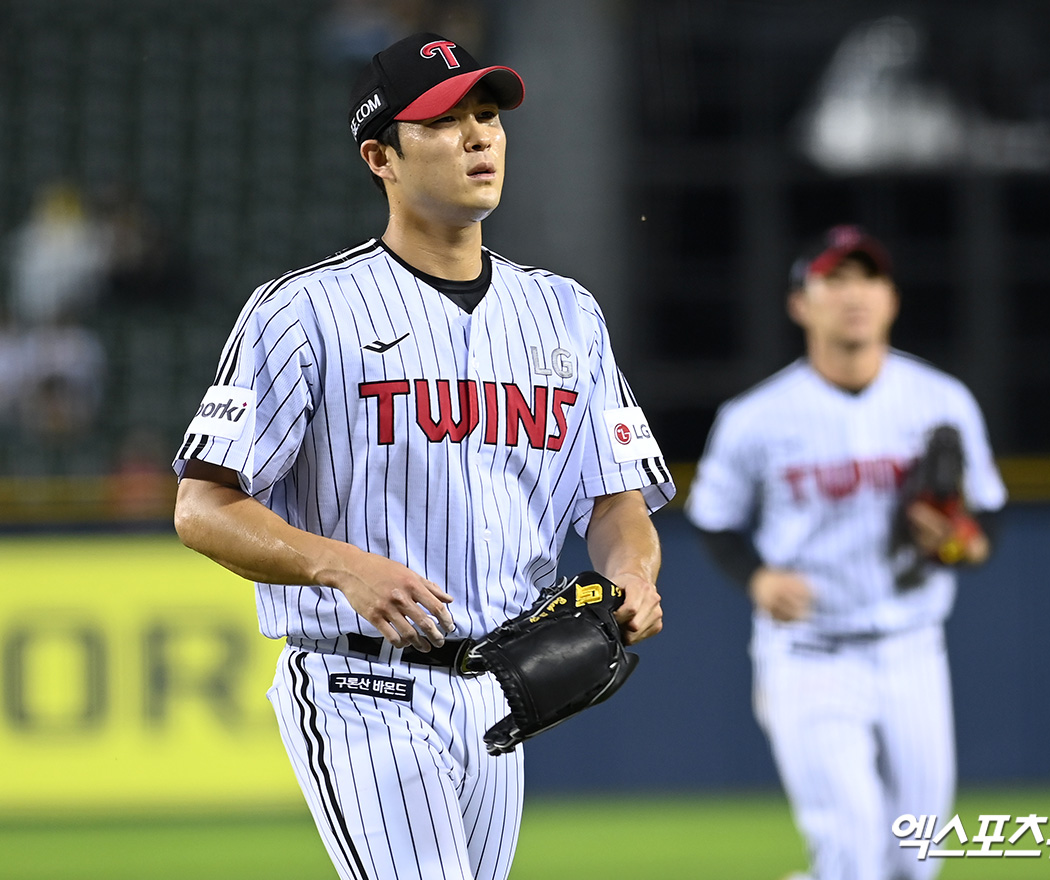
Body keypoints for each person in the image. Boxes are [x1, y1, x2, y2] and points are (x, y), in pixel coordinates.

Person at [173, 32, 673, 880]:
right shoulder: (304, 312)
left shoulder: (566, 314)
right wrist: (341, 568)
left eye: (488, 115)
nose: (479, 136)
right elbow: (202, 506)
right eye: (444, 121)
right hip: (358, 685)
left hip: (503, 687)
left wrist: (634, 575)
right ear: (382, 157)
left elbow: (616, 499)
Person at [685, 225, 1006, 880]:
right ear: (800, 303)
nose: (853, 295)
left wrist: (962, 544)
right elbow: (713, 520)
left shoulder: (941, 400)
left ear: (890, 298)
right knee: (852, 857)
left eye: (868, 278)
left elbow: (987, 517)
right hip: (810, 654)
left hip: (914, 649)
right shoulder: (757, 416)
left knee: (916, 861)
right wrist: (756, 577)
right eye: (834, 280)